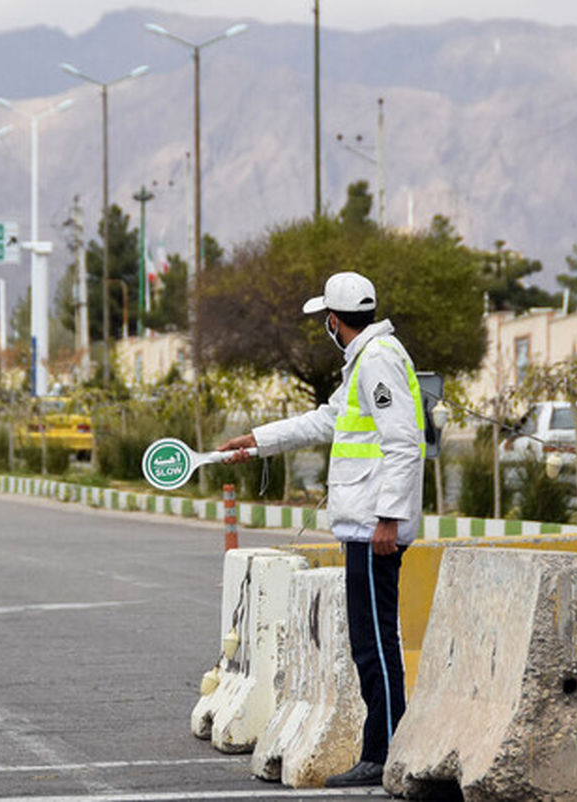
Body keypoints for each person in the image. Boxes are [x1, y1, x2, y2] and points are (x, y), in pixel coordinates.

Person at [219, 271, 424, 789]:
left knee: (375, 645)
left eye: (324, 321)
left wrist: (388, 518)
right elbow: (324, 421)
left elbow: (402, 441)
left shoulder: (377, 360)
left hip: (374, 528)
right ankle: (380, 749)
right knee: (367, 643)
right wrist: (258, 441)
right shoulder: (365, 361)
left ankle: (383, 753)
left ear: (334, 321)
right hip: (363, 526)